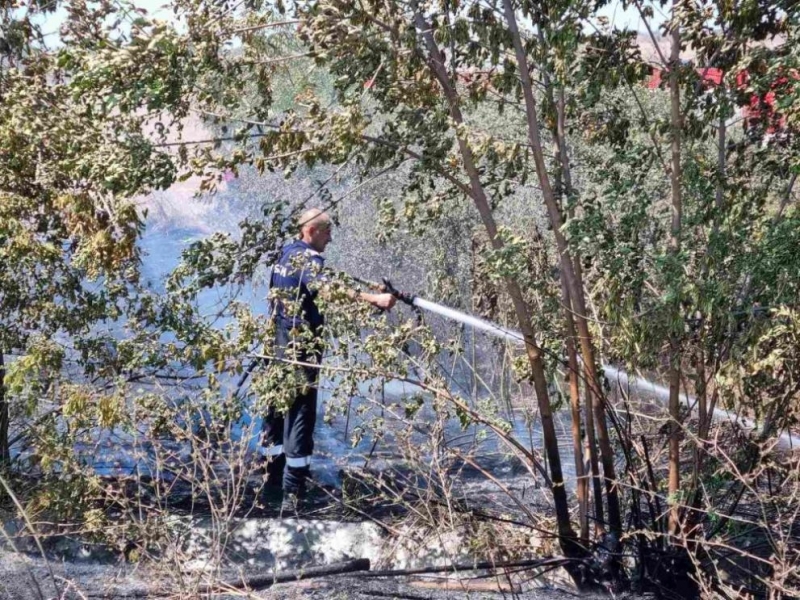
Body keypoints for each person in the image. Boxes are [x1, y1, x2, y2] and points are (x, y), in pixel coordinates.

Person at [260, 208, 396, 508]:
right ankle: (293, 495)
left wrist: (368, 288)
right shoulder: (309, 259)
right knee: (300, 415)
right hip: (300, 349)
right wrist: (374, 299)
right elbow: (327, 289)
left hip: (276, 344)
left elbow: (318, 280)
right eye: (327, 231)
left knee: (276, 412)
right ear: (311, 230)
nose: (331, 238)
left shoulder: (287, 253)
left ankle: (270, 486)